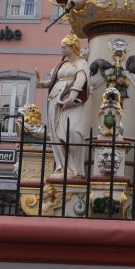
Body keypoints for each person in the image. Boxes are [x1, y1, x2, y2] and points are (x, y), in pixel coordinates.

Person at [37, 34, 90, 178]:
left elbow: (81, 80)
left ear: (72, 47)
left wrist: (72, 96)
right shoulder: (61, 64)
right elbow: (51, 81)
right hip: (55, 100)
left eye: (64, 47)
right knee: (55, 133)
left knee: (72, 131)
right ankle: (63, 165)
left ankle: (76, 168)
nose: (61, 49)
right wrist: (41, 84)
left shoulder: (81, 63)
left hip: (71, 101)